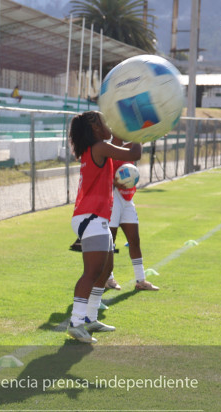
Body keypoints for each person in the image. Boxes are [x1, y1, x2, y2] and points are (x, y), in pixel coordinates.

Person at [66, 111, 141, 343]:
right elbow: (133, 153)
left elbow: (123, 151)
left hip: (96, 218)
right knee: (92, 271)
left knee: (105, 270)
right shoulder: (99, 147)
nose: (108, 124)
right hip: (91, 217)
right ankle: (76, 322)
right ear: (94, 126)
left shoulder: (97, 148)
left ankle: (90, 318)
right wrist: (139, 131)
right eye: (103, 121)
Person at [107, 152, 159, 292]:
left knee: (134, 240)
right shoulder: (110, 140)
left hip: (127, 198)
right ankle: (109, 278)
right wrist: (113, 181)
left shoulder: (131, 141)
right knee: (110, 240)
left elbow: (136, 153)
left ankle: (140, 280)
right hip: (113, 195)